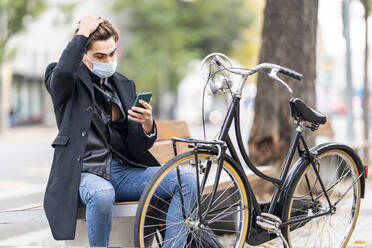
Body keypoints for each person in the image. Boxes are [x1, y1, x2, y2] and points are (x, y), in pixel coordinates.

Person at [43, 15, 196, 247]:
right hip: (84, 171)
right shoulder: (65, 79)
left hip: (123, 172)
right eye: (100, 56)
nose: (108, 60)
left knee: (187, 180)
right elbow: (64, 73)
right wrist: (83, 32)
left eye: (112, 53)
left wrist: (147, 125)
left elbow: (136, 144)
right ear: (83, 55)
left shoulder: (123, 85)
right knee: (102, 194)